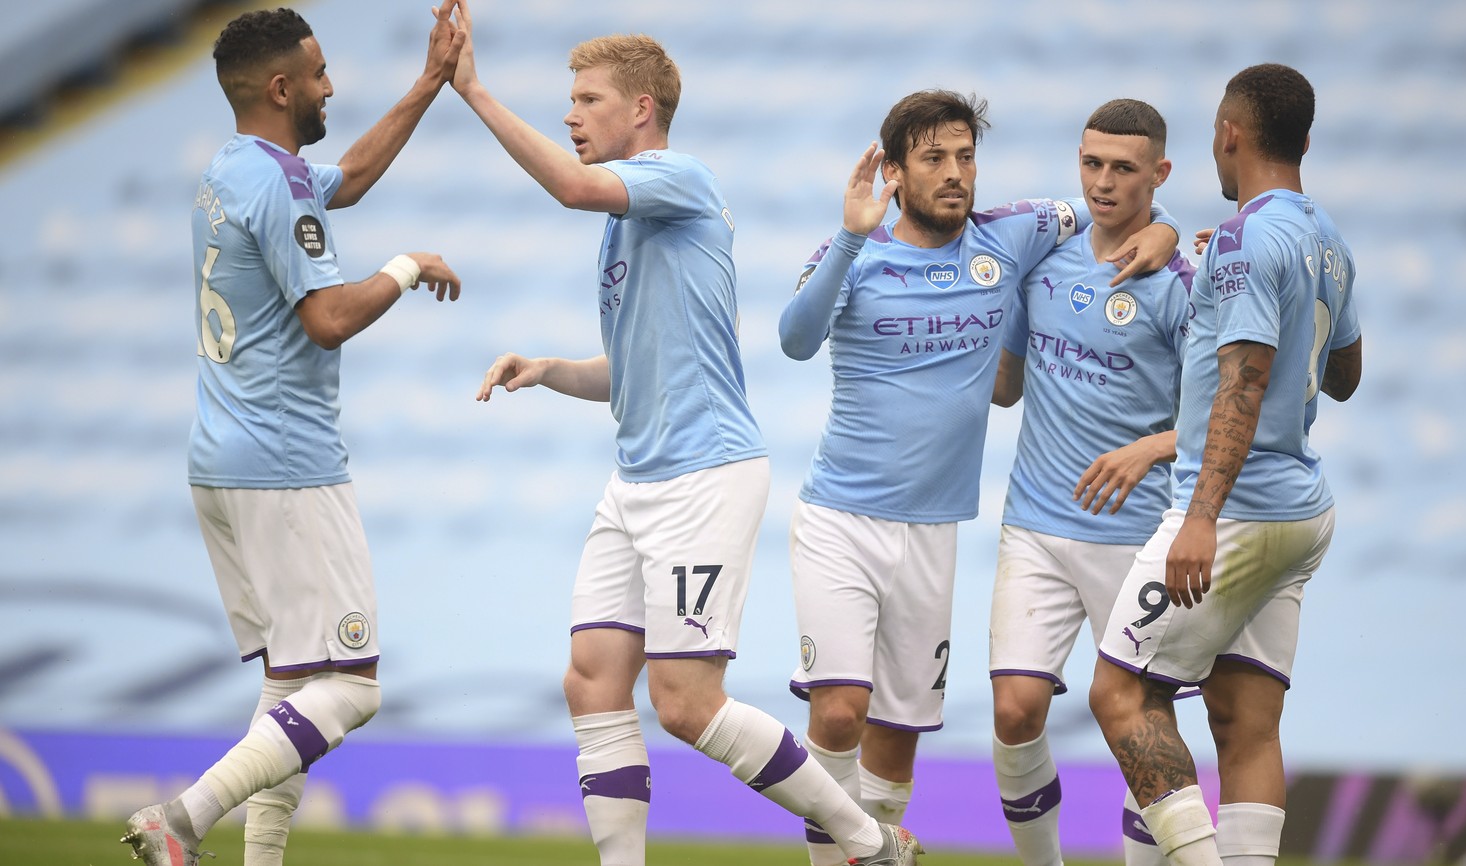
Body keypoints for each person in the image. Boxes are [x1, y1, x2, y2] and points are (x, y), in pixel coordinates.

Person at [446, 2, 918, 863]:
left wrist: (471, 89)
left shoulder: (680, 177)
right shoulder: (631, 222)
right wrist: (551, 369)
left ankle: (862, 836)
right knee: (591, 679)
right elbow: (634, 373)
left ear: (641, 111)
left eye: (587, 99)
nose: (570, 114)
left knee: (687, 705)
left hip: (702, 478)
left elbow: (569, 186)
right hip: (634, 480)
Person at [778, 90, 1177, 866]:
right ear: (893, 173)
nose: (955, 174)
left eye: (965, 157)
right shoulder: (858, 254)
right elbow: (796, 338)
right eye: (934, 159)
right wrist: (848, 238)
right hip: (840, 519)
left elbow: (1115, 198)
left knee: (897, 738)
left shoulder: (1015, 234)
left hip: (933, 532)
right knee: (837, 716)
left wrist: (1161, 230)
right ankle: (859, 848)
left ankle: (874, 844)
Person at [118, 7, 464, 866]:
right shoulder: (275, 185)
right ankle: (182, 819)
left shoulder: (236, 171)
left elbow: (341, 179)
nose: (330, 86)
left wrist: (427, 87)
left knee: (292, 685)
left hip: (223, 460)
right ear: (281, 88)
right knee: (351, 688)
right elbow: (328, 318)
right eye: (316, 74)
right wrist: (408, 265)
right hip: (286, 466)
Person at [1087, 63, 1362, 866]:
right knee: (1245, 722)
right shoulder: (1326, 239)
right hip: (1302, 511)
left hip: (1238, 509)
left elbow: (1242, 382)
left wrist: (1201, 518)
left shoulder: (1244, 236)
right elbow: (1342, 377)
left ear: (1229, 134)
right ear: (1304, 141)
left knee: (1122, 691)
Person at [987, 98, 1194, 866]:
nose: (1104, 182)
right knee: (1015, 710)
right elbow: (1005, 385)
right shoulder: (1047, 251)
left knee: (1140, 728)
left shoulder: (1181, 279)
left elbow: (1230, 415)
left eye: (1124, 169)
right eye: (1091, 163)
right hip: (1035, 524)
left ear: (1160, 174)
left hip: (1135, 536)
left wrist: (1151, 448)